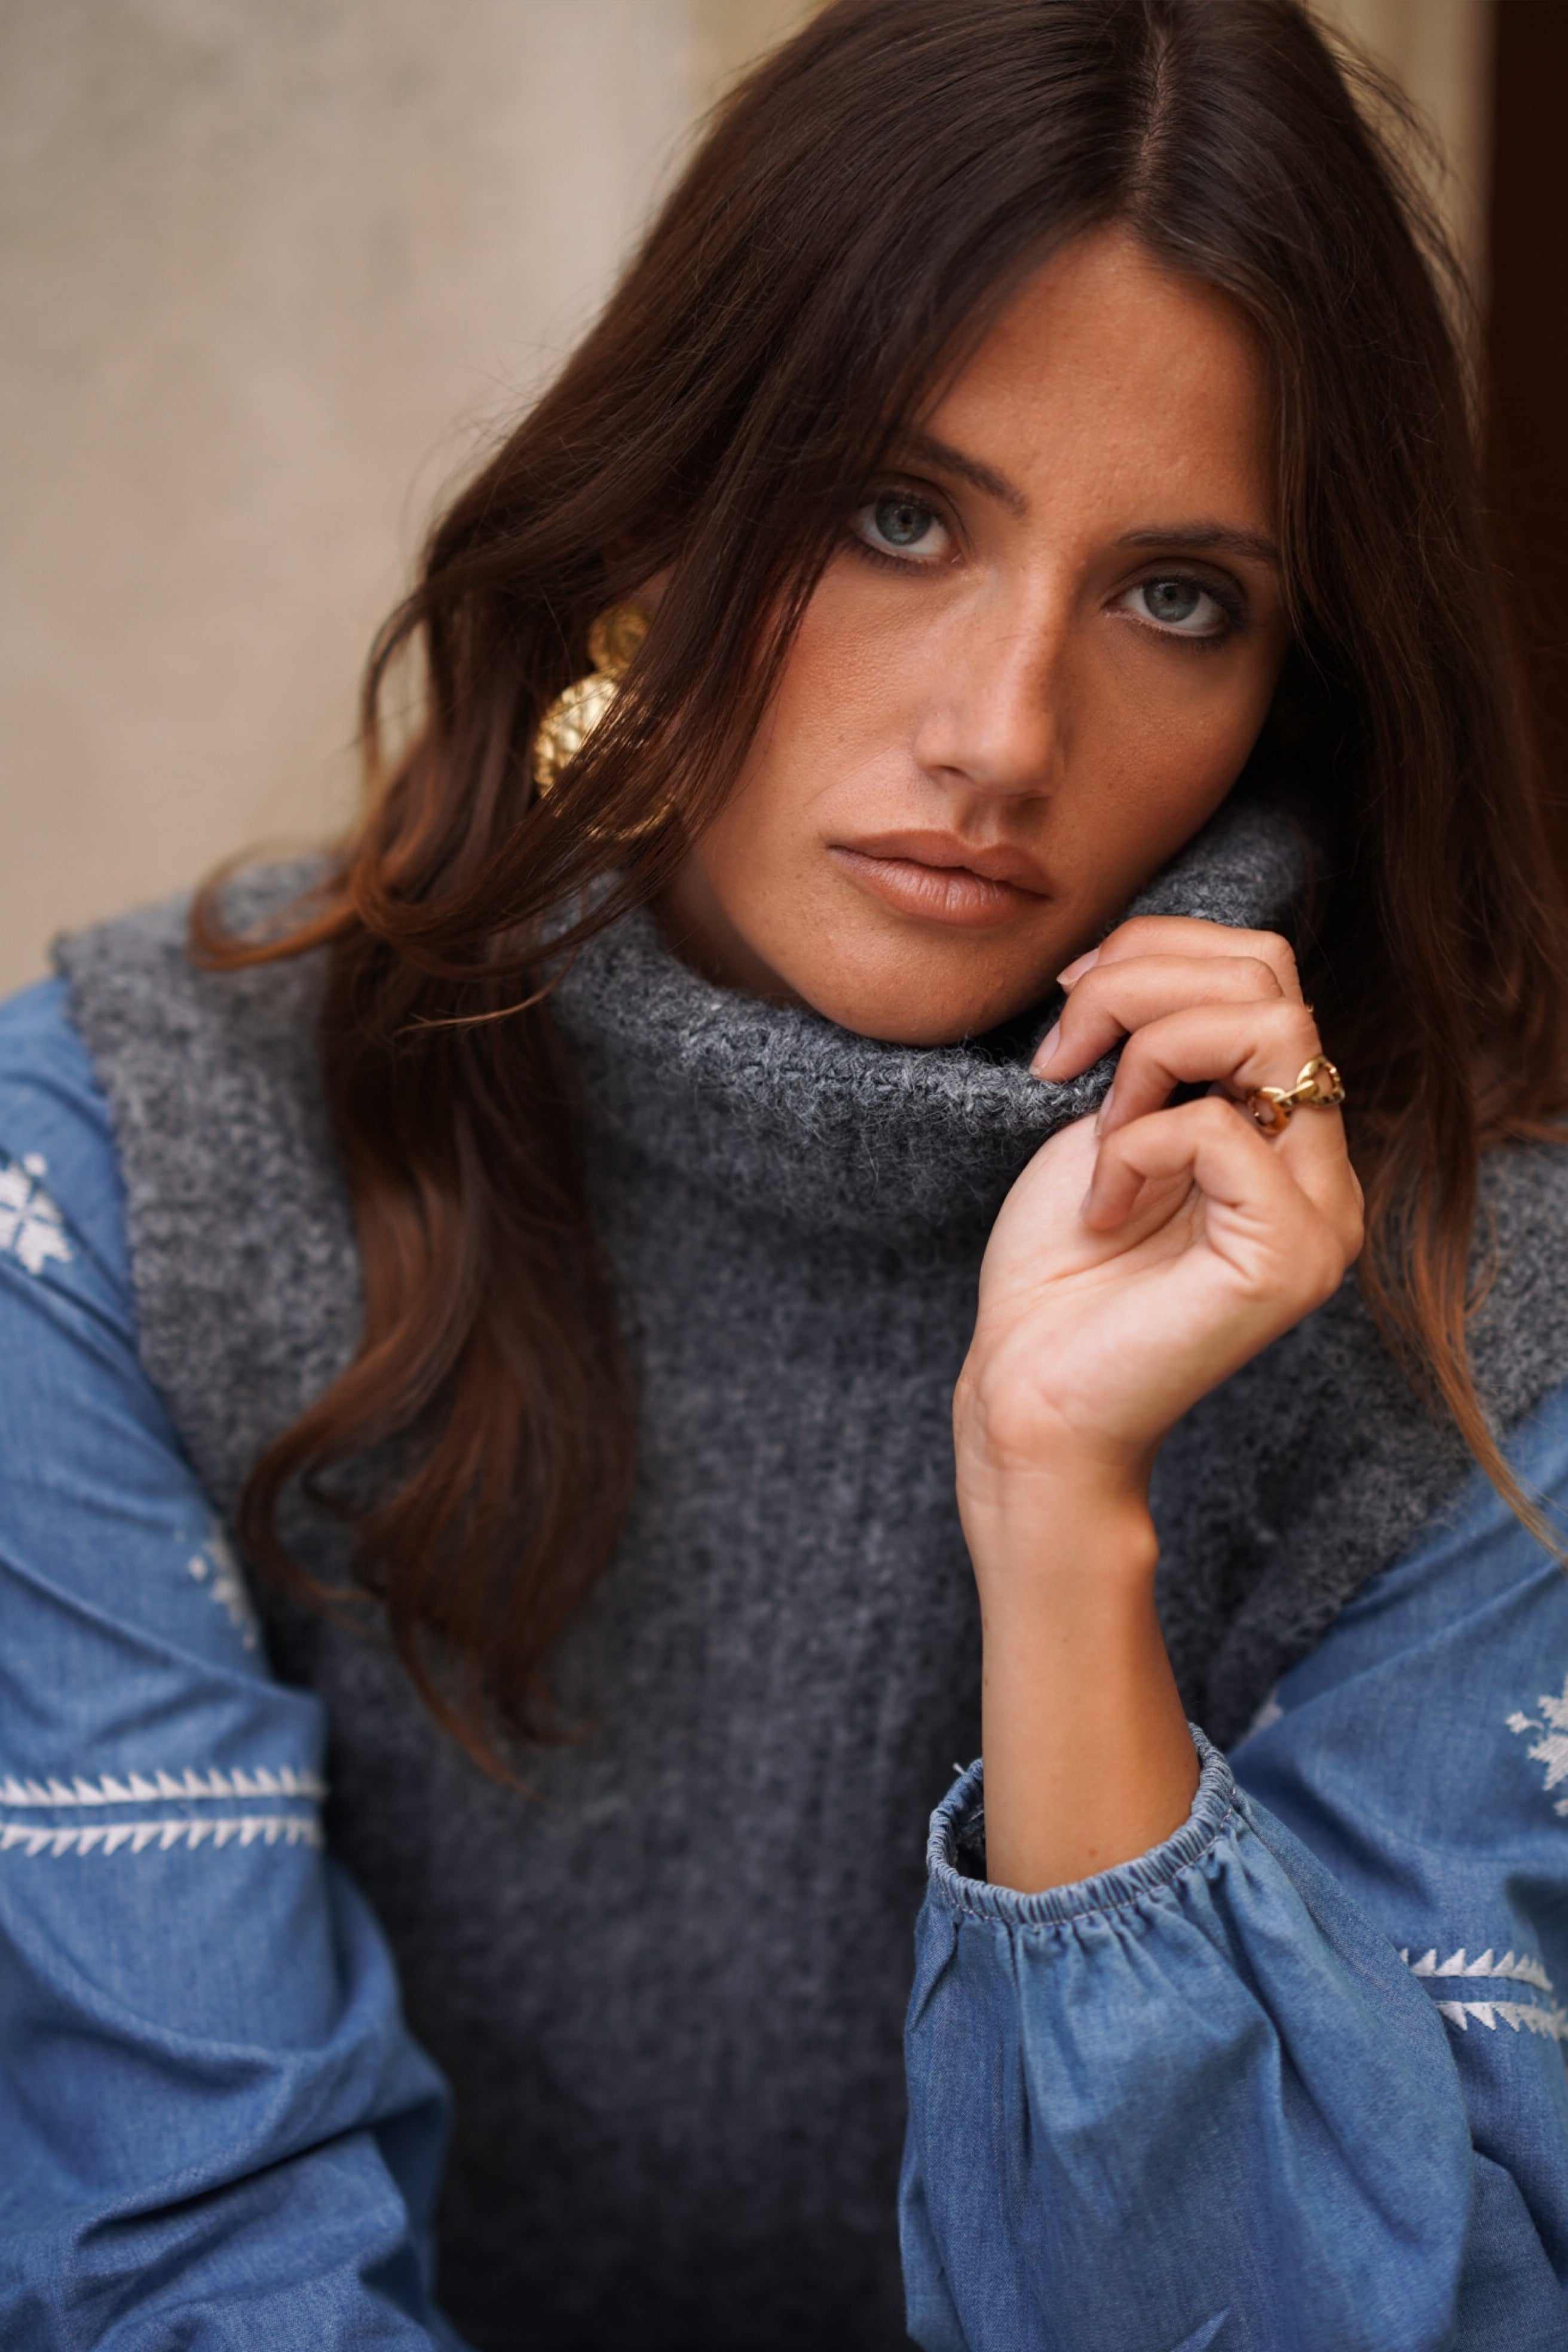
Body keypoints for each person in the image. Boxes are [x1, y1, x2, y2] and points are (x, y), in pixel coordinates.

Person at [4, 0, 1567, 2344]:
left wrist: (1063, 1525)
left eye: (1175, 596)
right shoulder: (124, 1164)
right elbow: (173, 2263)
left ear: (1297, 681)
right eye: (894, 515)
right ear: (654, 500)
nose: (1001, 735)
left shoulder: (1481, 1323)